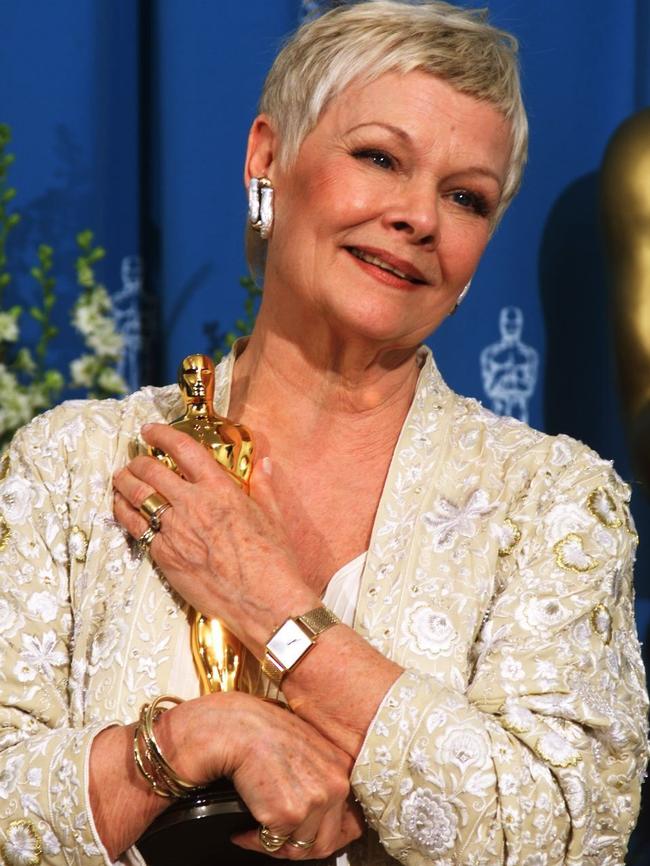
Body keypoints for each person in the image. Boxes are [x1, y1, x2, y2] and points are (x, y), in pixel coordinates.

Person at [0, 2, 647, 865]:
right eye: (380, 158)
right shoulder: (74, 465)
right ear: (267, 158)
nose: (420, 217)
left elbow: (568, 835)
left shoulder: (554, 504)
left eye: (466, 197)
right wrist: (186, 743)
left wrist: (270, 603)